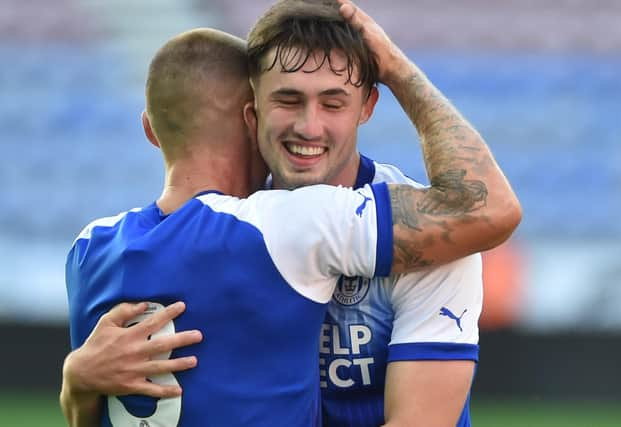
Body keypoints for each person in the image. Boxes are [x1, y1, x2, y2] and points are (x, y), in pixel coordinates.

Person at [61, 3, 521, 427]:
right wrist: (79, 381)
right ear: (252, 112)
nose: (309, 126)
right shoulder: (236, 223)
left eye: (333, 102)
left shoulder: (438, 238)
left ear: (368, 105)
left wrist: (397, 70)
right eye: (287, 100)